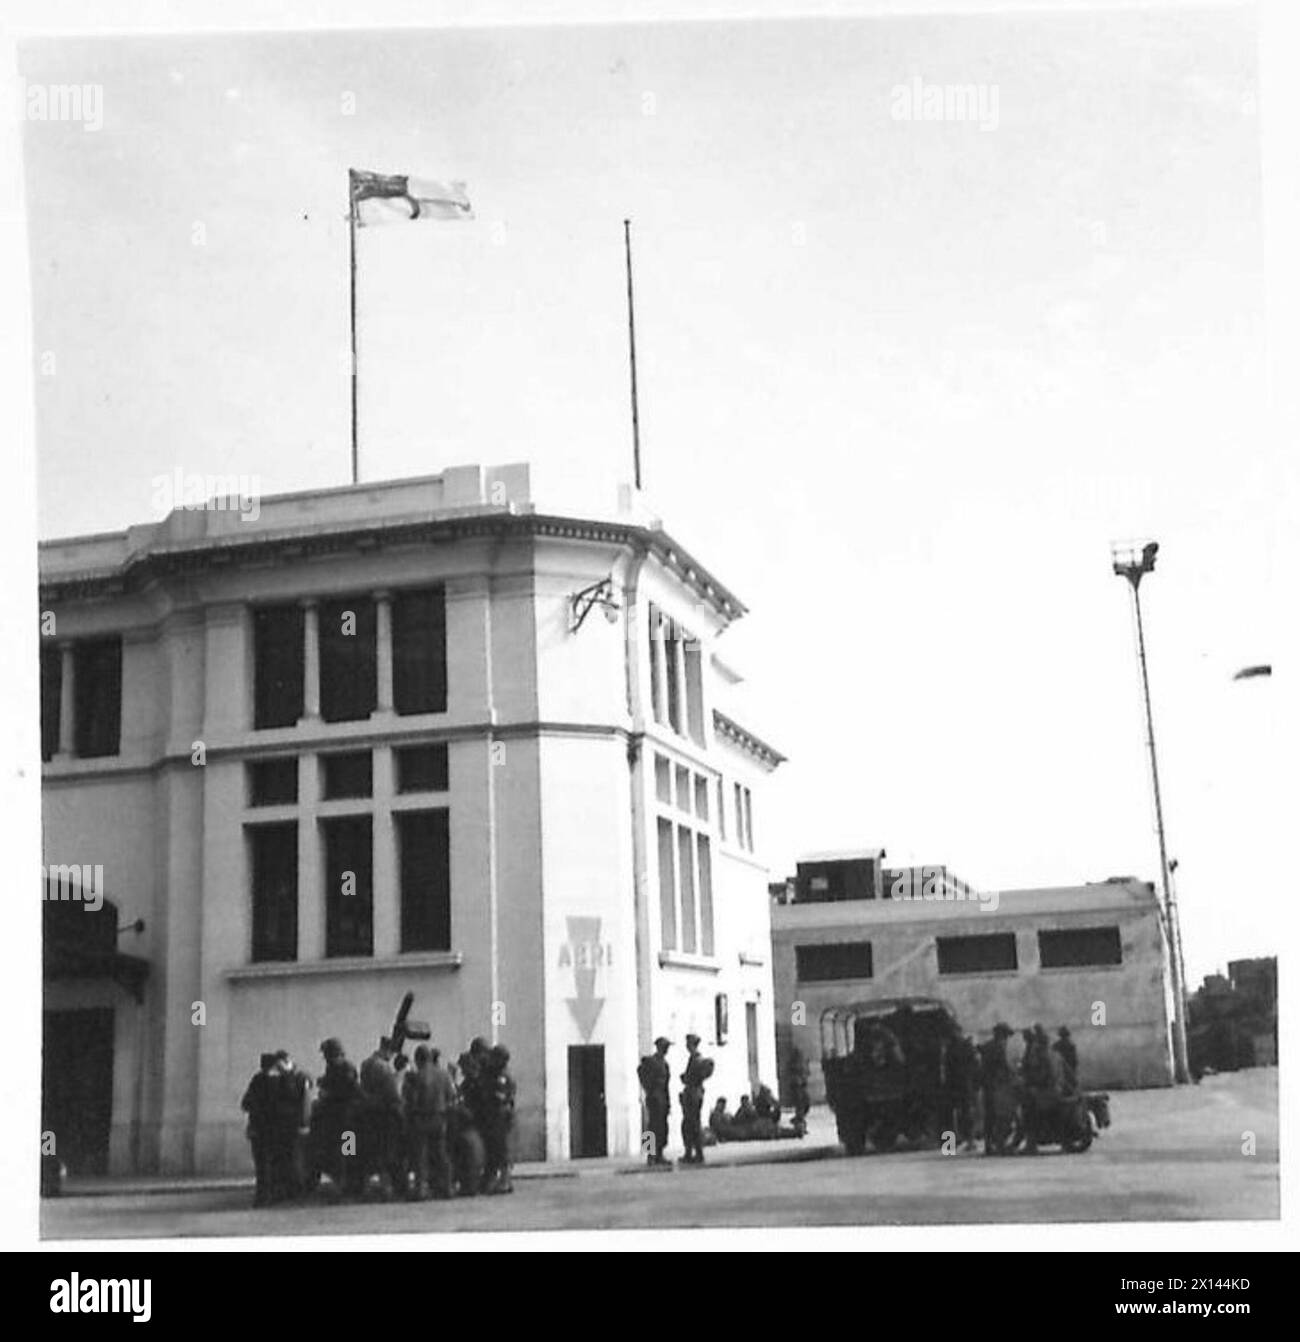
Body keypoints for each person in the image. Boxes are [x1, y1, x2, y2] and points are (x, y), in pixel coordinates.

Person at [404, 1044, 457, 1200]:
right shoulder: (444, 1075)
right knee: (441, 1154)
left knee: (421, 1156)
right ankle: (447, 1187)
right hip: (439, 1118)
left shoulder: (417, 1076)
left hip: (421, 1119)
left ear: (418, 1059)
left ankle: (421, 1189)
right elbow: (452, 1095)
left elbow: (412, 1100)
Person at [313, 1037, 362, 1196]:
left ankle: (348, 1184)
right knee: (339, 1153)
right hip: (337, 1118)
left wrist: (329, 1091)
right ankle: (344, 1183)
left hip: (346, 1118)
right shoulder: (334, 1068)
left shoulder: (345, 1068)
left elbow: (349, 1090)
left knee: (348, 1152)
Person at [360, 1036, 405, 1198]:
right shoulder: (384, 1068)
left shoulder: (366, 1063)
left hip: (368, 1113)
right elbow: (393, 1093)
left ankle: (364, 1187)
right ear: (388, 1050)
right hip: (384, 1115)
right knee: (386, 1153)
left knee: (369, 1151)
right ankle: (386, 1189)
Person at [269, 1049, 311, 1202]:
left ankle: (295, 1189)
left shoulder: (298, 1077)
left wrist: (304, 1122)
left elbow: (304, 1101)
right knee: (287, 1158)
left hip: (292, 1125)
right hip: (284, 1126)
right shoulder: (287, 1077)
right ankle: (289, 1189)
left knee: (294, 1158)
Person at [241, 1053, 278, 1208]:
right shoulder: (279, 1081)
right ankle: (272, 1195)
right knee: (273, 1163)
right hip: (275, 1129)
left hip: (258, 1128)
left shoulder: (257, 1081)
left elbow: (246, 1103)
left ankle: (262, 1196)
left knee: (261, 1165)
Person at [481, 1044, 516, 1194]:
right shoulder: (499, 1074)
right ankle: (501, 1180)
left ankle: (504, 1181)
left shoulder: (501, 1077)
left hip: (499, 1116)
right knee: (498, 1149)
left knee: (501, 1149)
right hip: (500, 1115)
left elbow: (500, 1096)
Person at [979, 1023, 1016, 1155]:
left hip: (987, 1084)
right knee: (1000, 1115)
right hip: (996, 1086)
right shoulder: (998, 1047)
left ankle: (989, 1145)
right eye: (1005, 1036)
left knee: (989, 1116)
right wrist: (1015, 1074)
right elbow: (1004, 1065)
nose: (1006, 1039)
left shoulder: (988, 1046)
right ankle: (997, 1143)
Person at [679, 1033, 713, 1165]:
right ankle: (653, 1155)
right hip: (660, 1100)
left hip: (691, 1095)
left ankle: (652, 1155)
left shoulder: (695, 1060)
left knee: (691, 1125)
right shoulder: (694, 1059)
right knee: (691, 1125)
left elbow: (691, 1078)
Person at [637, 1036, 672, 1165]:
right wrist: (648, 1089)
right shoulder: (652, 1062)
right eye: (665, 1047)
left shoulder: (664, 1063)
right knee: (651, 1127)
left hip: (662, 1097)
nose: (666, 1049)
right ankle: (650, 1155)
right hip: (654, 1097)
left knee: (662, 1127)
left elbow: (666, 1084)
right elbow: (641, 1073)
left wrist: (668, 1101)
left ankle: (659, 1153)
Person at [947, 1034, 981, 1151]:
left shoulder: (950, 1049)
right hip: (963, 1086)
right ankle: (967, 1141)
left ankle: (954, 1143)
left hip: (956, 1086)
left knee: (955, 1115)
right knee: (965, 1113)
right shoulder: (963, 1049)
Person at [789, 1048, 811, 1137]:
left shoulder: (802, 1063)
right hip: (797, 1086)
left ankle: (798, 1122)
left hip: (802, 1086)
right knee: (800, 1107)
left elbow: (807, 1072)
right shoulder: (793, 1064)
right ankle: (799, 1126)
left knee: (805, 1104)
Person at [1053, 1027, 1079, 1094]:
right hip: (1069, 1066)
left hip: (1063, 1066)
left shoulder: (1057, 1044)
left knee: (1065, 1081)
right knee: (1070, 1081)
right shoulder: (1071, 1044)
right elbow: (1074, 1059)